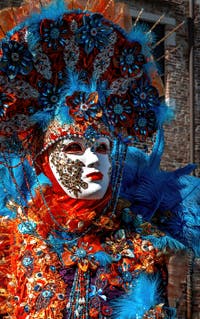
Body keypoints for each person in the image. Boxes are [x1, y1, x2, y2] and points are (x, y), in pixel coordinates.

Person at [0, 1, 199, 318]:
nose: (93, 160)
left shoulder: (143, 247)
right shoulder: (11, 241)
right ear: (44, 161)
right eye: (74, 148)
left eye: (103, 148)